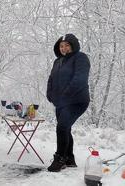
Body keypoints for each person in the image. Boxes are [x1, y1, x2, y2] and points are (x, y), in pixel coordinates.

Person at [46, 33, 90, 172]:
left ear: (73, 46)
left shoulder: (80, 58)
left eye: (67, 45)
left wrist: (65, 96)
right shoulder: (57, 61)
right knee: (65, 128)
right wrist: (50, 94)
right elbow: (51, 79)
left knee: (62, 127)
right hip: (61, 102)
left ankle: (60, 158)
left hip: (77, 101)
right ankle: (69, 158)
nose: (64, 48)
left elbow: (79, 79)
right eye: (61, 46)